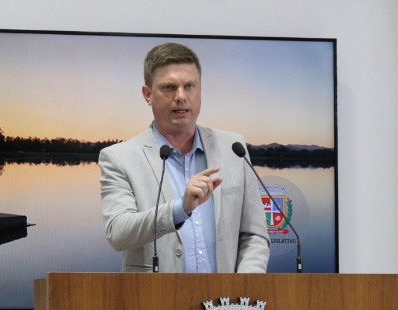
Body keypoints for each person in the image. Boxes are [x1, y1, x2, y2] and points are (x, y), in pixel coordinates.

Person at [99, 42, 270, 273]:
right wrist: (180, 208)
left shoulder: (233, 148)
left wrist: (244, 286)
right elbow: (118, 233)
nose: (181, 96)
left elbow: (254, 235)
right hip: (154, 295)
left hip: (227, 296)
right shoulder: (119, 158)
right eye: (169, 87)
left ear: (200, 90)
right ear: (148, 95)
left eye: (189, 86)